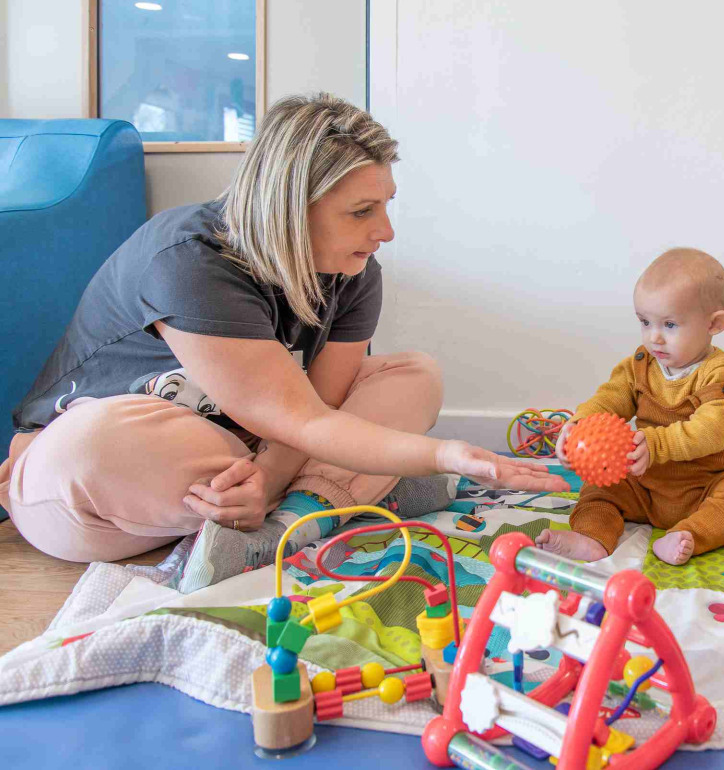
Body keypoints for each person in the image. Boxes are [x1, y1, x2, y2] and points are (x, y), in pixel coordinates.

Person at [0, 93, 567, 593]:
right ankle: (342, 497)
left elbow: (319, 407)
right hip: (112, 477)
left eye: (387, 204)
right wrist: (446, 454)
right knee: (97, 446)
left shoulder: (353, 272)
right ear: (290, 208)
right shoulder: (190, 260)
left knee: (413, 375)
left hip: (247, 461)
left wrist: (268, 476)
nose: (386, 230)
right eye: (362, 211)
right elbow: (309, 424)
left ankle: (279, 524)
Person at [536, 248, 724, 565]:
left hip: (707, 486)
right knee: (600, 485)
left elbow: (711, 432)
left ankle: (690, 533)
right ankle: (592, 536)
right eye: (645, 322)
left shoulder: (721, 374)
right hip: (646, 485)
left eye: (670, 325)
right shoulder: (641, 364)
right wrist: (581, 424)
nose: (654, 337)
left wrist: (656, 444)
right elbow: (610, 397)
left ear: (714, 324)